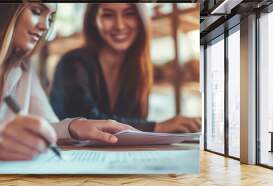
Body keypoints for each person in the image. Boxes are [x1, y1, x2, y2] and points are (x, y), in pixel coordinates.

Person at [0, 3, 134, 161]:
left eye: (51, 18)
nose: (45, 26)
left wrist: (74, 126)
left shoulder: (24, 67)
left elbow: (46, 125)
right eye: (37, 11)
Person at [50, 3, 201, 133]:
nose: (120, 25)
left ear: (141, 18)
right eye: (108, 15)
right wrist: (158, 127)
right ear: (93, 20)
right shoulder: (73, 63)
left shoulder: (137, 68)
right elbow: (86, 122)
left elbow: (135, 121)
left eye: (129, 14)